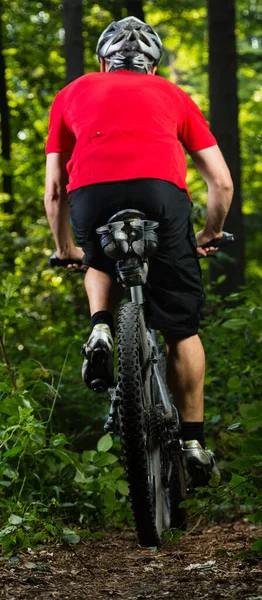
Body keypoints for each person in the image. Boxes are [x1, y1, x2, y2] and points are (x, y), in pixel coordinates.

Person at [44, 16, 233, 487]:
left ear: (104, 60)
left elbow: (53, 190)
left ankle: (102, 327)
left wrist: (66, 247)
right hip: (161, 196)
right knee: (182, 328)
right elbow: (222, 182)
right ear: (153, 64)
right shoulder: (174, 95)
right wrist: (208, 234)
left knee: (97, 255)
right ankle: (191, 439)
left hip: (92, 194)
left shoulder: (72, 92)